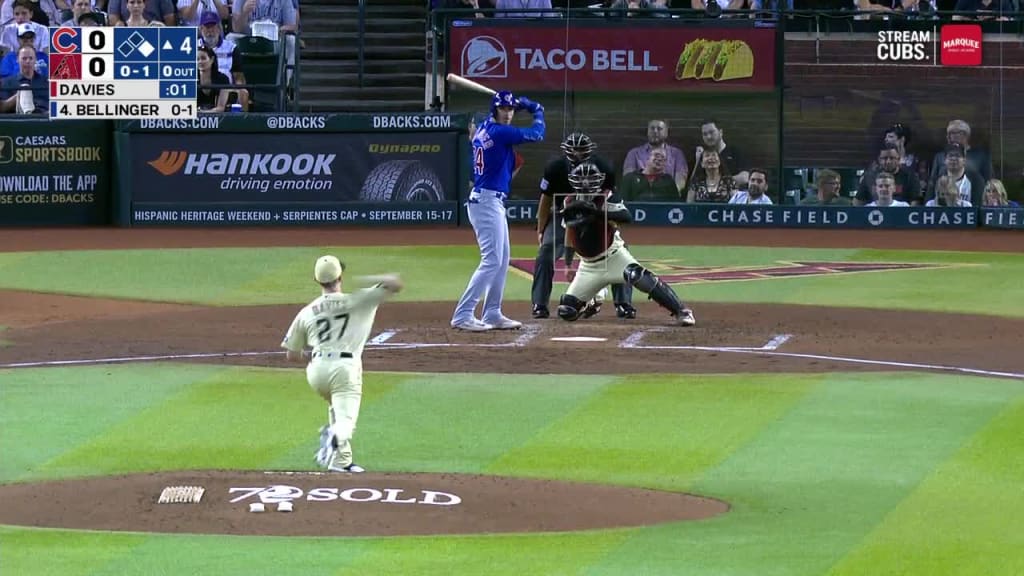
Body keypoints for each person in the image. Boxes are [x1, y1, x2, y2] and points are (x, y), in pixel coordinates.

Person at [280, 255, 403, 473]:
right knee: (346, 421)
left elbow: (292, 354)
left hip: (316, 372)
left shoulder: (307, 311)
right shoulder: (359, 300)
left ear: (316, 280)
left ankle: (341, 461)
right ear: (340, 277)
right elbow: (395, 283)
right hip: (345, 370)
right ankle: (333, 436)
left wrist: (314, 361)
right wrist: (369, 278)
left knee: (336, 408)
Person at [557, 162, 696, 327]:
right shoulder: (569, 202)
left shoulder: (606, 196)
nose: (586, 183)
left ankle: (681, 311)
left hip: (614, 256)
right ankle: (594, 297)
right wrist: (567, 262)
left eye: (589, 179)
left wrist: (596, 212)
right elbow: (569, 232)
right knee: (566, 310)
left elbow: (626, 216)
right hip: (588, 266)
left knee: (639, 276)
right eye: (582, 180)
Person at [451, 90, 545, 332]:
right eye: (504, 109)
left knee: (502, 260)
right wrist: (536, 110)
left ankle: (492, 312)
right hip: (486, 202)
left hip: (491, 201)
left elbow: (485, 132)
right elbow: (537, 134)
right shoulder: (500, 132)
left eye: (511, 109)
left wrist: (516, 103)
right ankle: (463, 313)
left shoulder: (485, 127)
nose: (508, 114)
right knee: (491, 260)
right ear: (495, 110)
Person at [531, 131, 635, 321]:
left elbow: (612, 199)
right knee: (545, 251)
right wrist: (540, 230)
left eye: (581, 150)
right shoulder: (555, 168)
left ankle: (623, 304)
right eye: (574, 150)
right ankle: (539, 304)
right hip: (564, 215)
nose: (578, 154)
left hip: (596, 214)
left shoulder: (604, 167)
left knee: (621, 252)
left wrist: (611, 227)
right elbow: (545, 200)